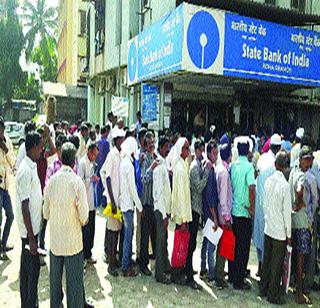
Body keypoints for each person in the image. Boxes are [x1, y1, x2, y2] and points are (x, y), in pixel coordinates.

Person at [43, 142, 91, 308]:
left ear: (61, 158)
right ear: (74, 161)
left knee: (55, 287)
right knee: (74, 287)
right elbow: (84, 217)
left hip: (56, 243)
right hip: (73, 244)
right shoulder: (77, 183)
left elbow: (45, 214)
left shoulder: (51, 182)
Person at [259, 151, 292, 305]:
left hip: (268, 226)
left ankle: (263, 289)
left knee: (267, 261)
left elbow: (263, 204)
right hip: (279, 231)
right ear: (285, 167)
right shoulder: (285, 186)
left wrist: (268, 218)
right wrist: (289, 234)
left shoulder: (268, 181)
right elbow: (287, 214)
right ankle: (273, 294)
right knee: (276, 264)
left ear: (275, 165)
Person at [15, 132, 42, 308]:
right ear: (31, 147)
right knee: (31, 273)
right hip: (28, 233)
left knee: (29, 272)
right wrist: (31, 239)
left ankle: (29, 303)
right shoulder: (25, 170)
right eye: (40, 146)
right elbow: (25, 205)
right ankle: (29, 304)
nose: (42, 149)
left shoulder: (31, 165)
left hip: (32, 230)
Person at [289, 146, 318, 304]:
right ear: (300, 159)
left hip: (293, 220)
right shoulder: (309, 178)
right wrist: (300, 203)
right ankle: (299, 292)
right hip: (303, 222)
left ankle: (295, 285)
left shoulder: (294, 172)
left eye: (311, 159)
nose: (310, 161)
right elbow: (309, 197)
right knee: (301, 257)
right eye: (307, 159)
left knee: (295, 255)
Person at [253, 133, 282, 275]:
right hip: (268, 206)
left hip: (259, 204)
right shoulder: (274, 164)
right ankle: (264, 270)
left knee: (259, 236)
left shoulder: (262, 158)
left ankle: (260, 266)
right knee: (267, 239)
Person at [229, 137, 256, 290]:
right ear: (248, 151)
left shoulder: (234, 165)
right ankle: (239, 281)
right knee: (243, 248)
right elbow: (252, 188)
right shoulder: (249, 167)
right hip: (244, 212)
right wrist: (252, 208)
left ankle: (233, 275)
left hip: (234, 211)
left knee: (235, 246)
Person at [100, 128, 125, 276]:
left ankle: (115, 259)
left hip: (120, 200)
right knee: (112, 233)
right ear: (116, 140)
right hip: (113, 200)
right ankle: (111, 264)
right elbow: (107, 177)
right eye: (120, 139)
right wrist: (112, 201)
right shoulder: (112, 155)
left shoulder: (122, 155)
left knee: (117, 231)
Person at [186, 140, 211, 289]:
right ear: (196, 150)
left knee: (193, 243)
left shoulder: (199, 164)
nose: (202, 153)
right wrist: (207, 172)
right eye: (200, 150)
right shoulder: (195, 167)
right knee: (191, 244)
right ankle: (188, 273)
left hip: (197, 209)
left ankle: (188, 269)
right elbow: (199, 187)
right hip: (194, 209)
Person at [119, 137, 143, 276]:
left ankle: (126, 261)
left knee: (129, 234)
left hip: (126, 203)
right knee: (128, 235)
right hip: (128, 204)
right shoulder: (128, 165)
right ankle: (125, 266)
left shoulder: (125, 162)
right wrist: (140, 207)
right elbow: (133, 189)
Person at [170, 137, 192, 285]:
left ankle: (179, 270)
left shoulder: (183, 165)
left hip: (183, 213)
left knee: (182, 244)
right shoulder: (179, 169)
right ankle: (176, 273)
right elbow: (181, 196)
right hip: (181, 214)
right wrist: (183, 219)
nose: (188, 151)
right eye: (185, 148)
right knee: (179, 245)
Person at [139, 132, 159, 276]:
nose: (152, 145)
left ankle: (157, 263)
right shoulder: (145, 159)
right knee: (145, 236)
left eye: (153, 142)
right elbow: (144, 179)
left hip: (155, 202)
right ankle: (143, 264)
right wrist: (151, 168)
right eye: (149, 143)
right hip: (146, 202)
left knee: (155, 234)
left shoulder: (155, 157)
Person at [200, 140, 219, 285]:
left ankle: (202, 268)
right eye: (214, 152)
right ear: (208, 153)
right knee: (211, 244)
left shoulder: (204, 165)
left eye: (217, 152)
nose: (216, 155)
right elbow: (211, 195)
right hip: (210, 211)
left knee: (206, 240)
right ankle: (211, 273)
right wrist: (214, 216)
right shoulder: (210, 169)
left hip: (205, 210)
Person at [214, 136, 233, 289]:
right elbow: (223, 197)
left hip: (220, 212)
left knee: (221, 245)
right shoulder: (225, 173)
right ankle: (219, 276)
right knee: (223, 246)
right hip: (223, 214)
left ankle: (218, 272)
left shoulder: (219, 168)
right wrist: (226, 217)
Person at [153, 136, 172, 284]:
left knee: (163, 240)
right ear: (161, 148)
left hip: (164, 210)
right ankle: (159, 274)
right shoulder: (159, 167)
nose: (168, 149)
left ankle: (165, 266)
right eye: (166, 147)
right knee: (159, 242)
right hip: (160, 210)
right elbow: (158, 193)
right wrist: (164, 215)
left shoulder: (163, 164)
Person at [78, 143, 100, 265]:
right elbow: (79, 182)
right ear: (90, 152)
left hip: (92, 201)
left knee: (91, 229)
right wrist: (90, 179)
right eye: (94, 155)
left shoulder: (92, 163)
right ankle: (84, 256)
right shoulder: (82, 163)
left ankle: (89, 252)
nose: (95, 157)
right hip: (85, 201)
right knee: (85, 230)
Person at [0, 117, 15, 260]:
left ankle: (3, 244)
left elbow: (12, 162)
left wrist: (5, 148)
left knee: (10, 216)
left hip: (5, 186)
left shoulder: (7, 141)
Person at [96, 125, 110, 207]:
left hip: (98, 164)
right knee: (105, 184)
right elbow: (107, 155)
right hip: (104, 165)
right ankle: (104, 202)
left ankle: (98, 202)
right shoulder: (106, 143)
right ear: (105, 133)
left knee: (99, 184)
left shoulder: (97, 142)